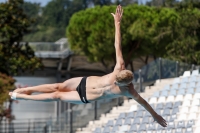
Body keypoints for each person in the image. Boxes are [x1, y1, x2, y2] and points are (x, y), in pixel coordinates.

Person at [9, 5, 167, 127]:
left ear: (127, 84)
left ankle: (22, 96)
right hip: (84, 82)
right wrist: (117, 23)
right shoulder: (120, 66)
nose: (115, 83)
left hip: (84, 97)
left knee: (57, 95)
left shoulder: (130, 91)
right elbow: (117, 44)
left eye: (119, 84)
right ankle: (27, 89)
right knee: (59, 85)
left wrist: (155, 115)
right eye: (116, 80)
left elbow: (144, 103)